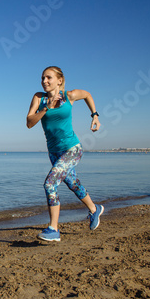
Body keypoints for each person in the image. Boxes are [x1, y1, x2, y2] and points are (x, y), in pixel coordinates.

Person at [26, 66, 104, 242]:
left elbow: (88, 95)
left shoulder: (69, 96)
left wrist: (95, 115)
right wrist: (45, 109)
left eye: (48, 78)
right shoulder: (39, 98)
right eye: (42, 78)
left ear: (59, 80)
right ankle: (94, 209)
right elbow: (29, 122)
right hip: (53, 152)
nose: (44, 81)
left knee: (50, 184)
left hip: (72, 149)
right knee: (72, 183)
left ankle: (53, 229)